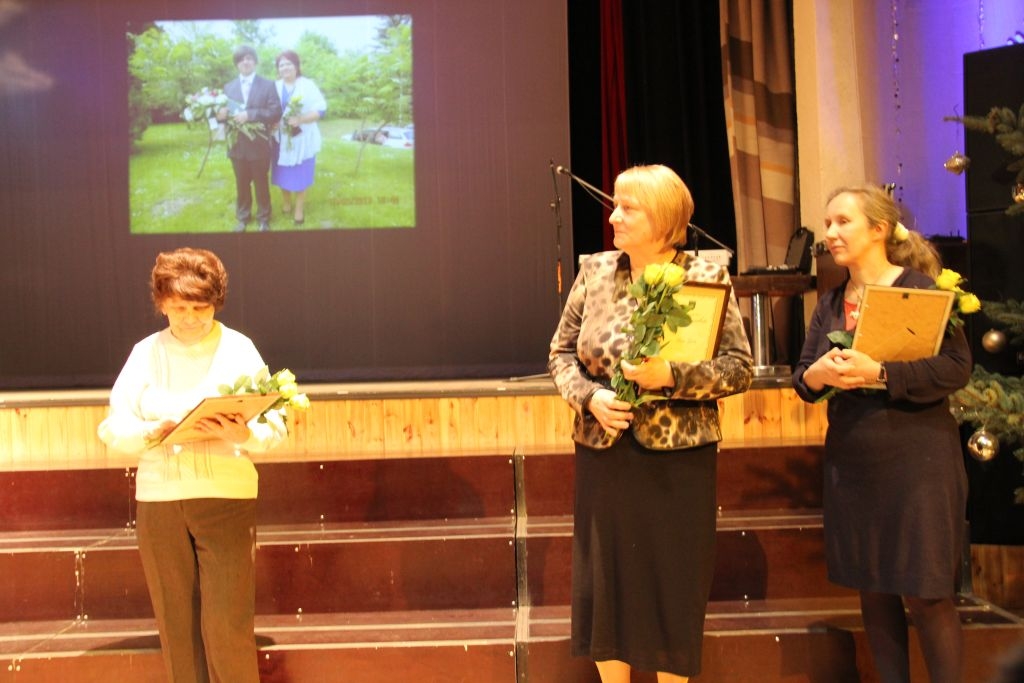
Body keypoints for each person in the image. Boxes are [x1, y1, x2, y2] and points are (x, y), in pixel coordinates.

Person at [548, 164, 753, 682]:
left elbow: (739, 368)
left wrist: (672, 375)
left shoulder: (705, 277)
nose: (613, 216)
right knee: (607, 589)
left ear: (663, 219)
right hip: (605, 456)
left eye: (628, 208)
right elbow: (560, 353)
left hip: (678, 464)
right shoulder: (595, 273)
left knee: (670, 588)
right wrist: (589, 397)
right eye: (615, 205)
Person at [792, 185, 972, 683]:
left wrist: (883, 374)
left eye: (842, 222)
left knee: (928, 591)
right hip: (855, 462)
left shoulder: (920, 289)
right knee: (874, 587)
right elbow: (802, 378)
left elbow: (957, 368)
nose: (830, 233)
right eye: (827, 224)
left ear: (878, 229)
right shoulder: (829, 302)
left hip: (918, 461)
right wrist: (819, 375)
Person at [97, 247, 287, 682]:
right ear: (161, 303)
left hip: (225, 498)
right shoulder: (145, 353)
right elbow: (112, 426)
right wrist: (148, 433)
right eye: (179, 307)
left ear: (215, 303)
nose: (189, 318)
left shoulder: (239, 348)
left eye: (199, 308)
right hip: (161, 501)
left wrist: (246, 433)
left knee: (227, 625)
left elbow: (276, 420)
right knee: (177, 627)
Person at [217, 45, 282, 232]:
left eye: (249, 58)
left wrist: (250, 115)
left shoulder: (268, 85)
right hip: (236, 145)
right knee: (241, 183)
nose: (245, 62)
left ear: (255, 62)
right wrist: (219, 115)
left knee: (261, 183)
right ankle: (243, 217)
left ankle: (264, 218)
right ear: (237, 64)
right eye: (241, 59)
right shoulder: (228, 87)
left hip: (259, 145)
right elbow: (223, 116)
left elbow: (275, 111)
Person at [270, 50, 327, 226]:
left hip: (303, 138)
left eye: (288, 63)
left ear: (296, 66)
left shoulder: (308, 85)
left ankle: (299, 209)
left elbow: (320, 109)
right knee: (282, 173)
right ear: (278, 69)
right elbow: (268, 110)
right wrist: (271, 123)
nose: (285, 67)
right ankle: (286, 202)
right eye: (281, 64)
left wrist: (301, 119)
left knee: (302, 173)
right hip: (280, 138)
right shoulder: (274, 86)